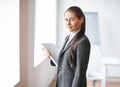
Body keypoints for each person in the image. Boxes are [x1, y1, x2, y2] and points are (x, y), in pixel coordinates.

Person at [43, 6, 91, 87]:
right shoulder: (67, 38)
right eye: (66, 20)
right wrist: (51, 57)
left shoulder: (83, 42)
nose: (68, 23)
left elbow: (80, 73)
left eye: (72, 19)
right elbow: (64, 62)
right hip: (63, 82)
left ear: (81, 20)